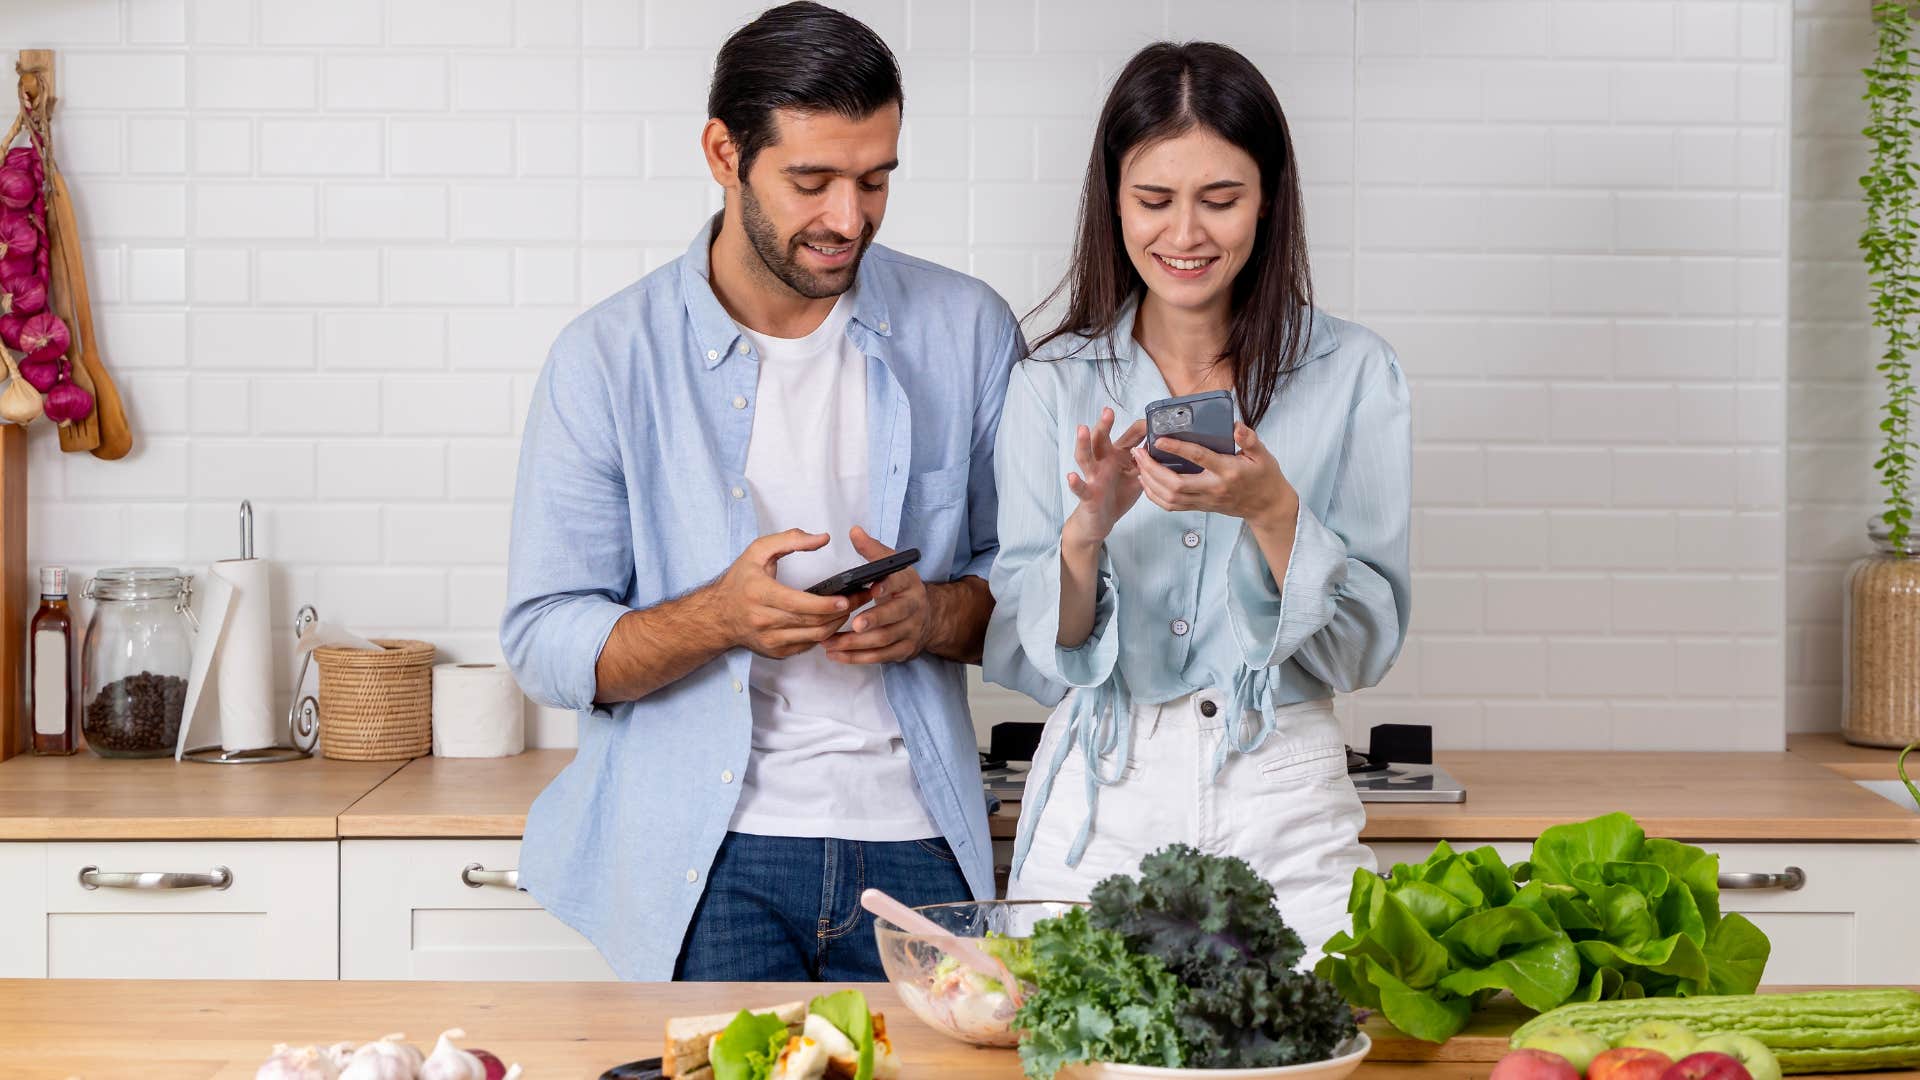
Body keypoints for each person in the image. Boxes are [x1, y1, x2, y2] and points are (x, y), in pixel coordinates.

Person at [501, 1, 1021, 982]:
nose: (847, 219)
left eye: (874, 181)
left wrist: (935, 613)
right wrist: (717, 617)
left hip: (921, 849)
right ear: (723, 153)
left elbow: (1038, 595)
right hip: (707, 862)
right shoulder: (608, 360)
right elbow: (547, 641)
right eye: (810, 181)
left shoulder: (969, 332)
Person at [983, 41, 1412, 961]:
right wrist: (1085, 538)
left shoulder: (1355, 374)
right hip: (1100, 796)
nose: (1185, 234)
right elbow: (1036, 660)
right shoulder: (1048, 387)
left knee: (1310, 1048)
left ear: (1269, 200)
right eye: (1153, 200)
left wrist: (1273, 512)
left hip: (1281, 788)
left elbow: (1364, 643)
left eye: (1220, 200)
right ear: (1112, 201)